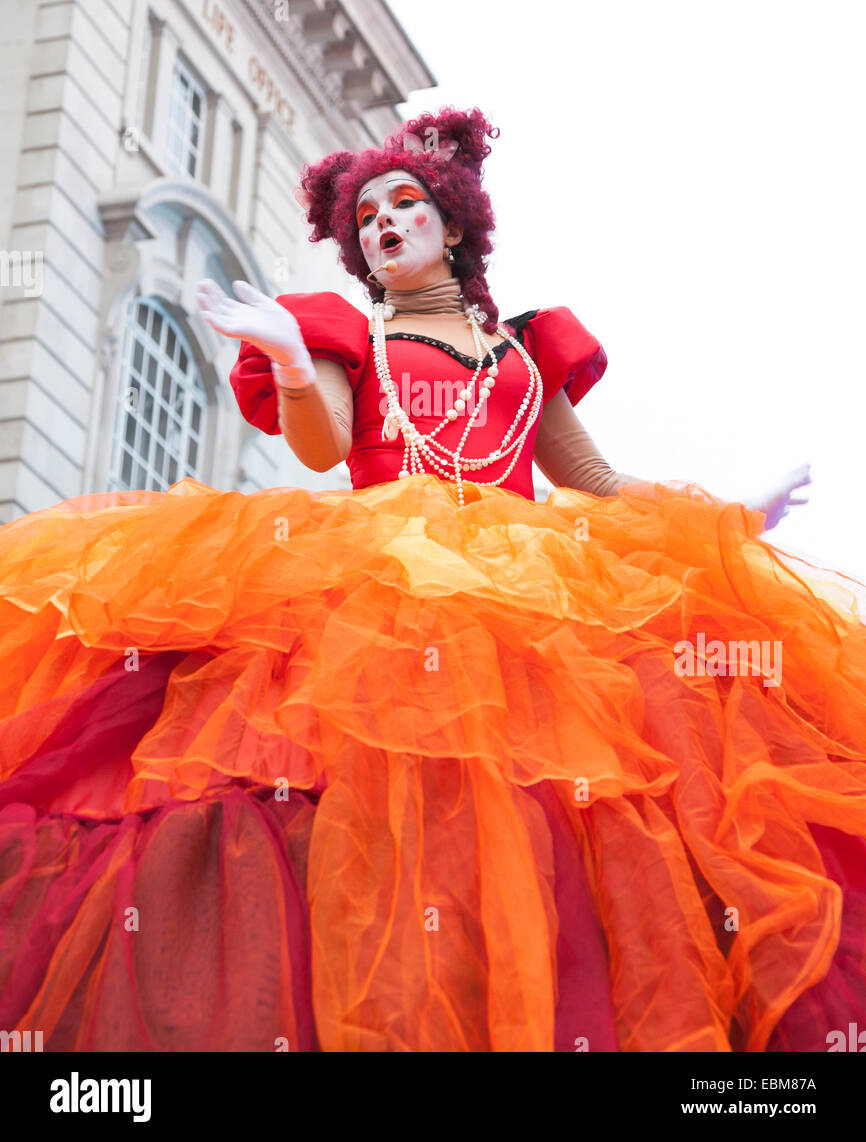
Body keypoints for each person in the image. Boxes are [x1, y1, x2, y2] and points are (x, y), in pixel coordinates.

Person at [0, 107, 863, 1053]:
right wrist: (290, 358)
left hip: (534, 592)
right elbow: (324, 443)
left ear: (452, 227)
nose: (382, 226)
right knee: (362, 798)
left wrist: (729, 516)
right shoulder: (348, 339)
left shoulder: (528, 356)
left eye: (404, 205)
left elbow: (599, 483)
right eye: (365, 221)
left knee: (566, 804)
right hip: (376, 578)